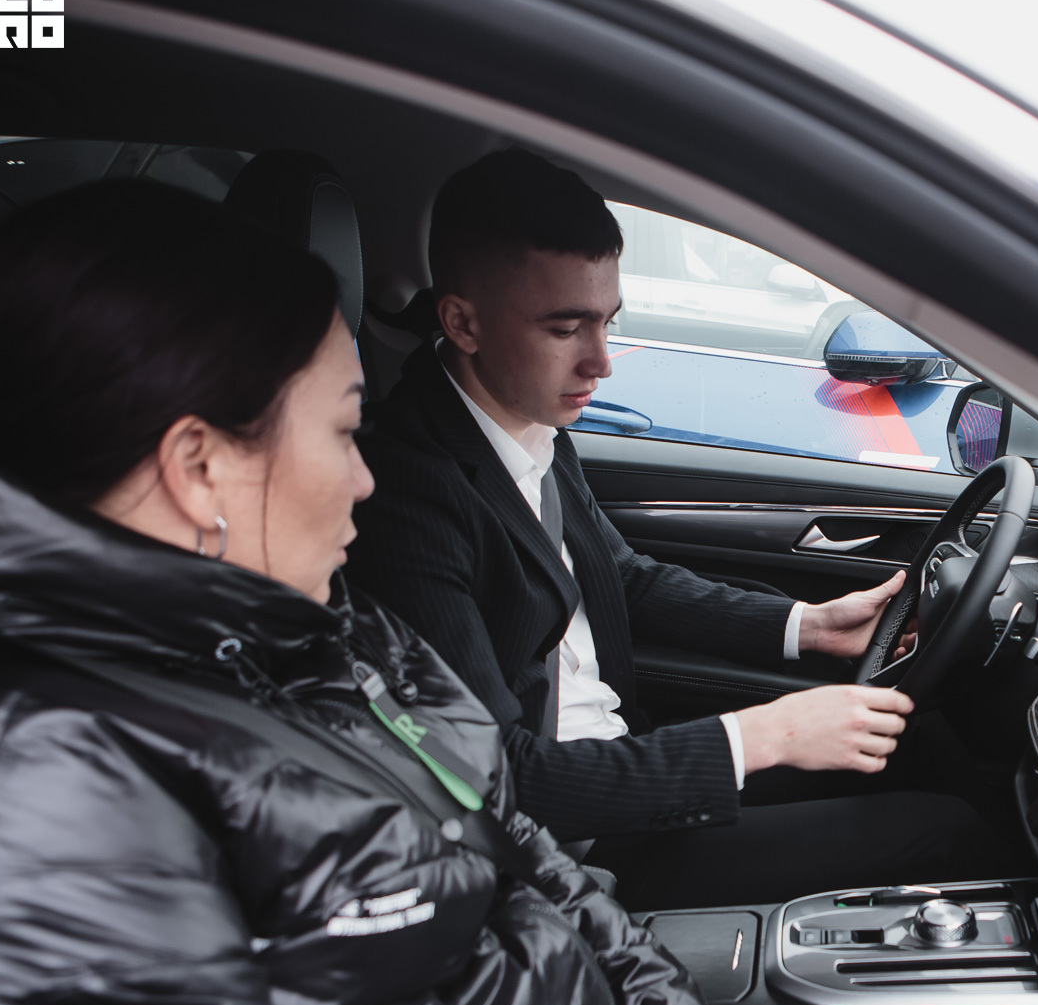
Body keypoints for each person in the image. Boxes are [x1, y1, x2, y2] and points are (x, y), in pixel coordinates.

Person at [0, 179, 1014, 1005]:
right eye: (343, 432)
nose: (362, 479)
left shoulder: (322, 631)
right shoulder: (41, 782)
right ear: (199, 466)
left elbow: (506, 828)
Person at [346, 149, 1002, 910]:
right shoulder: (404, 497)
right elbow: (501, 780)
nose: (600, 363)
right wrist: (768, 736)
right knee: (947, 832)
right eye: (566, 329)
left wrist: (810, 626)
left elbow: (623, 580)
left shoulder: (524, 421)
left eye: (607, 323)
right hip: (568, 848)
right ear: (462, 322)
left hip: (624, 768)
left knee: (913, 744)